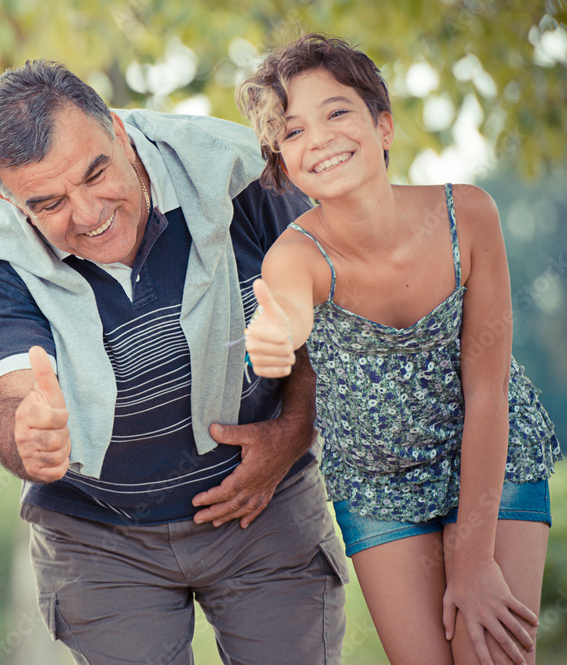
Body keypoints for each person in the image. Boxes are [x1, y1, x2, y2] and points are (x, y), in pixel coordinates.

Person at [0, 59, 346, 664]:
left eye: (95, 173)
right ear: (10, 201)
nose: (87, 213)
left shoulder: (240, 173)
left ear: (118, 130)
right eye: (48, 202)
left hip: (263, 508)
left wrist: (292, 433)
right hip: (100, 538)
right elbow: (13, 397)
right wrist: (30, 436)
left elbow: (333, 321)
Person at [237, 33, 561, 665]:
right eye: (294, 132)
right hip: (379, 487)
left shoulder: (468, 215)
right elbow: (286, 312)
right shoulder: (296, 256)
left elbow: (489, 390)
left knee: (489, 656)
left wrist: (472, 563)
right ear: (282, 162)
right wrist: (273, 340)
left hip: (493, 452)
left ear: (382, 125)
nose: (320, 139)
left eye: (336, 113)